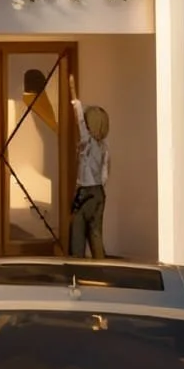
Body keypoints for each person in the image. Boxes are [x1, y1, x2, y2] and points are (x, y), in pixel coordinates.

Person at [70, 98, 111, 258]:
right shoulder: (103, 147)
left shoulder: (88, 143)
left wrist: (77, 106)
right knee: (95, 234)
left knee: (77, 232)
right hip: (99, 192)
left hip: (86, 191)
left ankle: (76, 266)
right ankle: (101, 265)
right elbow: (104, 174)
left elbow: (80, 123)